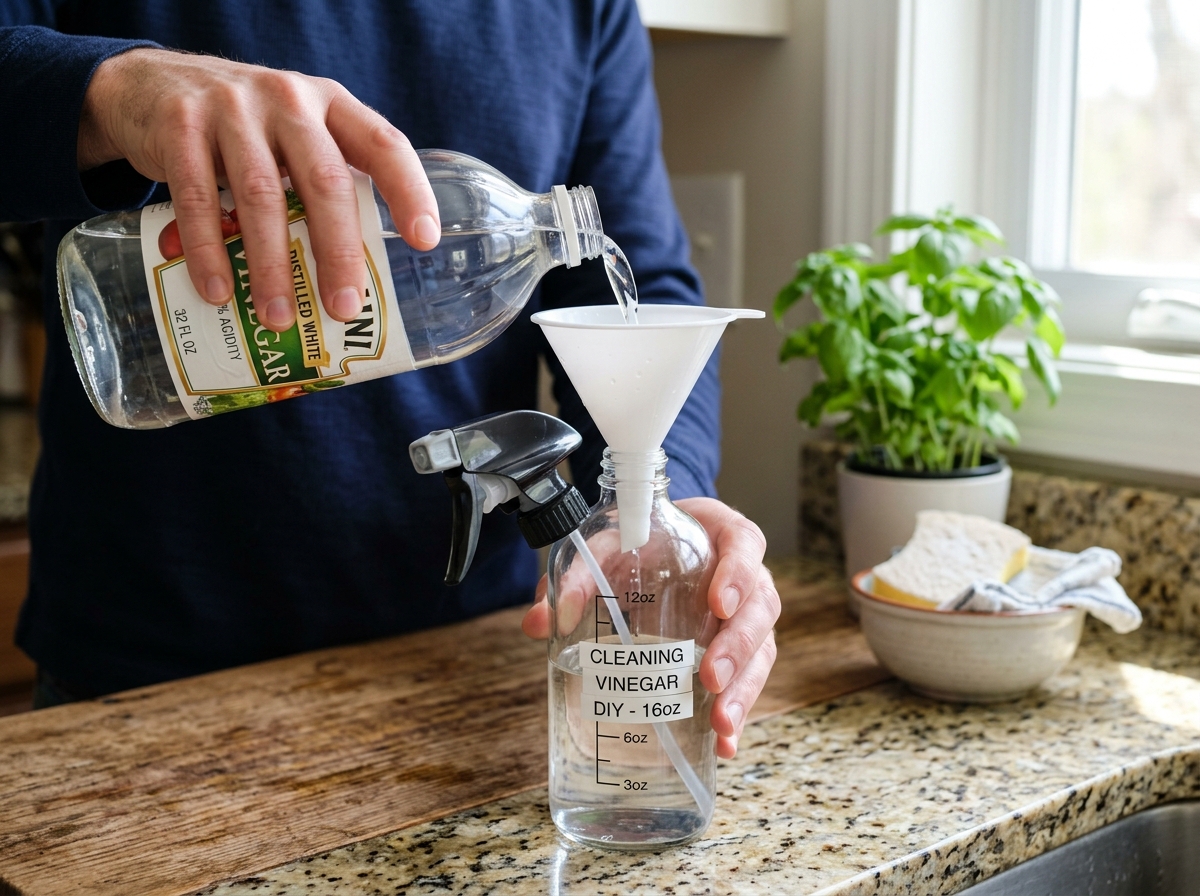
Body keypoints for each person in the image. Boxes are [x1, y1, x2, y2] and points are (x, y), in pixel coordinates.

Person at [0, 0, 779, 758]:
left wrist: (658, 504)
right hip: (148, 670)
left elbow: (627, 280)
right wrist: (112, 89)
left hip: (464, 668)